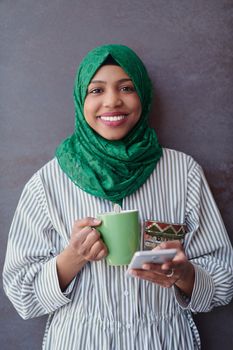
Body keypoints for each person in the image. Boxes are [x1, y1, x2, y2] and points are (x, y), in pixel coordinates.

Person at [3, 44, 233, 350]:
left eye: (126, 87)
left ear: (144, 95)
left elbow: (224, 277)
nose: (112, 101)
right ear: (80, 100)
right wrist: (73, 258)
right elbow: (22, 296)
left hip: (163, 341)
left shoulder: (183, 172)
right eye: (96, 90)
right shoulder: (48, 182)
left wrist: (184, 274)